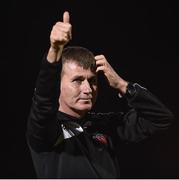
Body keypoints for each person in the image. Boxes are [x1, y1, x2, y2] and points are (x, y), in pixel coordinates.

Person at [26, 11, 174, 178]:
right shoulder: (46, 129)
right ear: (57, 85)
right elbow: (44, 103)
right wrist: (54, 51)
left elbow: (161, 118)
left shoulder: (103, 125)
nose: (88, 89)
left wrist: (122, 85)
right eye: (77, 80)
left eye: (93, 81)